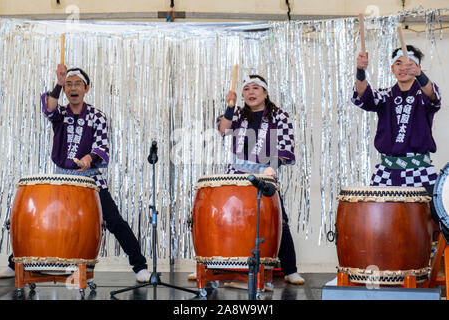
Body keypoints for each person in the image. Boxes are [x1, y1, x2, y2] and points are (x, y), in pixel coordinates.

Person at [0, 65, 150, 282]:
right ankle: (15, 264)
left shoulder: (97, 116)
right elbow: (49, 108)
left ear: (86, 88)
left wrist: (90, 158)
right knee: (43, 219)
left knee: (115, 221)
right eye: (68, 84)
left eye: (77, 83)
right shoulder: (60, 114)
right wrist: (58, 83)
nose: (73, 88)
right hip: (62, 178)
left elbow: (102, 146)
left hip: (91, 179)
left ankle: (139, 267)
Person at [326, 44, 441, 286]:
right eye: (398, 63)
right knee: (378, 218)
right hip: (386, 171)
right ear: (392, 68)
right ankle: (385, 268)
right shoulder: (386, 95)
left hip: (419, 170)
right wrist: (360, 70)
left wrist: (420, 75)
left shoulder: (424, 95)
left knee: (433, 220)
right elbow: (363, 96)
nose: (403, 67)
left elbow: (433, 95)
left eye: (409, 63)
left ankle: (426, 269)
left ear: (418, 67)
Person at [189, 75, 305, 287]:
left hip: (264, 175)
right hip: (235, 175)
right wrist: (229, 106)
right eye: (247, 89)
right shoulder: (239, 115)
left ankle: (290, 270)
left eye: (256, 88)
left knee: (277, 221)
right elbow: (223, 129)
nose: (251, 93)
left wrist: (273, 166)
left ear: (265, 92)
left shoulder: (279, 116)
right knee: (227, 219)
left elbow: (286, 147)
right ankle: (214, 269)